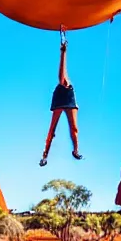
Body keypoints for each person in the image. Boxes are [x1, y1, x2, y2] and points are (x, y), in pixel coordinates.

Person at [40, 34, 83, 166]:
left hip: (69, 99)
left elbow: (63, 73)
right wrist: (63, 52)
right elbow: (61, 72)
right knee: (51, 130)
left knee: (74, 129)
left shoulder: (68, 85)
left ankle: (76, 151)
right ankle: (44, 156)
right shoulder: (62, 81)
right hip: (59, 99)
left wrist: (64, 51)